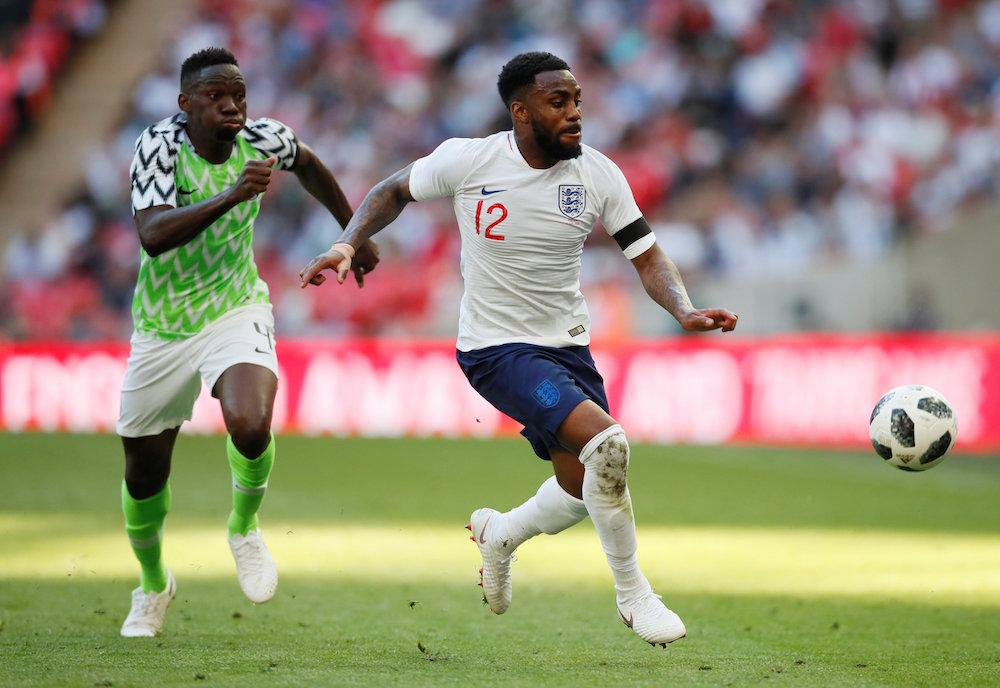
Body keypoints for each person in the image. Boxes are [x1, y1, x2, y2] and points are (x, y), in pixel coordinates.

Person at [299, 51, 737, 647]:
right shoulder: (471, 159)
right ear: (521, 111)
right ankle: (635, 595)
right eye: (560, 103)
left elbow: (647, 253)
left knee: (583, 486)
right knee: (608, 446)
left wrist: (682, 307)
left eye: (578, 100)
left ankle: (500, 535)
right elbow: (391, 190)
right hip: (496, 349)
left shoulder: (598, 174)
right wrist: (348, 245)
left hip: (568, 348)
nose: (576, 113)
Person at [118, 47, 378, 638]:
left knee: (252, 421)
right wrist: (233, 195)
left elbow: (308, 163)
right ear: (186, 105)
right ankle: (153, 583)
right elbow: (153, 234)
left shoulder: (264, 138)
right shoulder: (158, 146)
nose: (232, 105)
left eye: (238, 93)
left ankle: (243, 526)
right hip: (162, 325)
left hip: (236, 306)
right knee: (143, 472)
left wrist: (352, 233)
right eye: (216, 96)